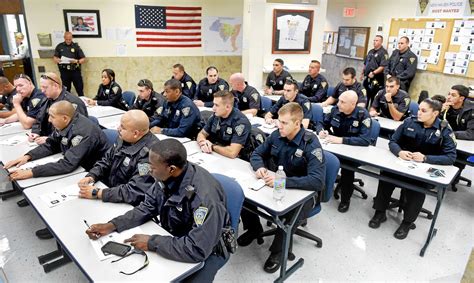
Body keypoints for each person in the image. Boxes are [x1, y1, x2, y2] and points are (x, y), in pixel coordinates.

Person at [85, 139, 231, 282]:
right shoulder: (164, 174)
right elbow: (147, 207)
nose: (148, 169)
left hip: (208, 248)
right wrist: (113, 225)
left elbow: (198, 249)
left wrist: (152, 243)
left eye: (152, 167)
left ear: (171, 169)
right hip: (177, 234)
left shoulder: (204, 198)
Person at [238, 102, 325, 273]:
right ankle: (254, 228)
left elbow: (317, 181)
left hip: (304, 193)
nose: (279, 125)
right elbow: (257, 153)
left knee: (288, 215)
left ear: (297, 124)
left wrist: (283, 182)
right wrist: (259, 167)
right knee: (243, 194)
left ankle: (278, 252)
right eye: (279, 121)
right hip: (276, 183)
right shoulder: (277, 135)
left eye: (284, 123)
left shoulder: (311, 143)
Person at [369, 98, 456, 239]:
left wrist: (426, 158)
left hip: (423, 171)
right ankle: (380, 212)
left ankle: (407, 222)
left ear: (435, 113)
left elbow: (450, 157)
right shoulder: (410, 121)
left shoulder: (444, 130)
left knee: (417, 189)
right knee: (385, 177)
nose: (419, 113)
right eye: (419, 109)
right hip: (402, 164)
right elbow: (393, 141)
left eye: (423, 110)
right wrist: (399, 152)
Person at [5, 100, 108, 180]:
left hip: (93, 172)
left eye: (52, 117)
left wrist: (31, 172)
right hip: (78, 164)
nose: (49, 120)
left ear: (65, 118)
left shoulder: (83, 132)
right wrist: (28, 156)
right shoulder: (65, 123)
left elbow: (67, 165)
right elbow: (51, 144)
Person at [77, 110, 159, 206]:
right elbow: (106, 160)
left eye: (122, 127)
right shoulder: (123, 137)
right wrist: (92, 176)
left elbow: (134, 191)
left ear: (136, 133)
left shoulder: (150, 156)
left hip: (129, 203)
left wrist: (99, 193)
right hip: (111, 192)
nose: (118, 128)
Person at [317, 91, 371, 212]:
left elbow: (365, 140)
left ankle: (345, 200)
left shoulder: (363, 115)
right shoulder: (335, 110)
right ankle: (318, 192)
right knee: (318, 159)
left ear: (353, 104)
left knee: (348, 170)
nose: (338, 104)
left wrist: (341, 140)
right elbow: (322, 123)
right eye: (339, 100)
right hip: (334, 147)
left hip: (353, 152)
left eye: (342, 102)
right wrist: (321, 130)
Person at [30, 72, 88, 144]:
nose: (42, 91)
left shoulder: (72, 103)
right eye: (41, 87)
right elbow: (38, 119)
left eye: (45, 87)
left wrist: (50, 139)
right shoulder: (46, 100)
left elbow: (76, 131)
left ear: (55, 86)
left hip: (64, 144)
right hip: (46, 140)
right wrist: (36, 132)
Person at [196, 90, 251, 159]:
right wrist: (203, 143)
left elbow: (232, 153)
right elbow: (202, 133)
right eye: (213, 104)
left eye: (216, 105)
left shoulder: (240, 123)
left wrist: (212, 147)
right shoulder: (216, 115)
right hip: (217, 154)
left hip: (236, 160)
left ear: (227, 107)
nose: (213, 108)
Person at [53, 32, 85, 96]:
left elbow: (83, 59)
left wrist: (77, 61)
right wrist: (58, 60)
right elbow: (55, 58)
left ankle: (82, 102)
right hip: (64, 72)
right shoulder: (59, 46)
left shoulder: (76, 46)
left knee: (79, 88)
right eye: (67, 39)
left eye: (70, 39)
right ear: (64, 38)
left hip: (75, 71)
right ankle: (67, 104)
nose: (68, 41)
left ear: (72, 38)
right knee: (66, 90)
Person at [362, 35, 388, 108]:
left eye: (377, 40)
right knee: (365, 94)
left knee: (374, 96)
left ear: (381, 42)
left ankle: (372, 111)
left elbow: (383, 66)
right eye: (374, 40)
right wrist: (362, 73)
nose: (374, 42)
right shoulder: (371, 51)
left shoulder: (383, 53)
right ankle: (364, 110)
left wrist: (374, 73)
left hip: (377, 78)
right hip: (367, 77)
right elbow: (365, 63)